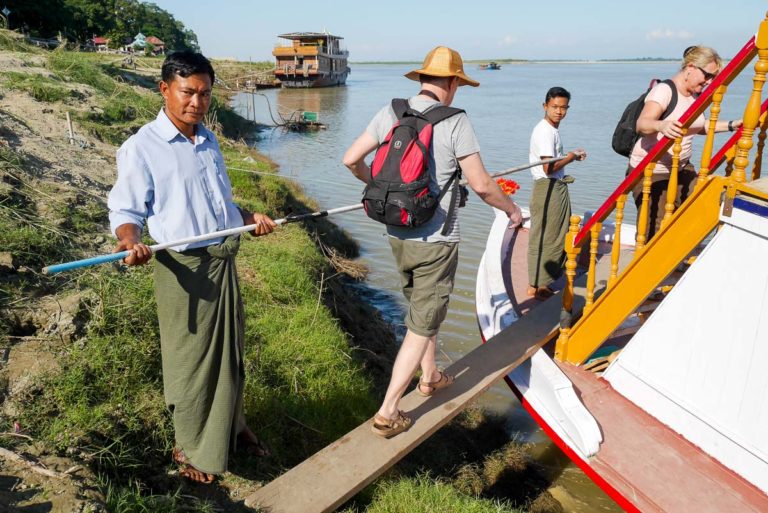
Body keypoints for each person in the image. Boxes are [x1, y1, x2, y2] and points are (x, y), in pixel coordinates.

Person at [107, 51, 276, 484]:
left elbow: (221, 205)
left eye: (204, 93)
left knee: (230, 352)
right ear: (164, 89)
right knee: (192, 362)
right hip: (183, 268)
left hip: (223, 261)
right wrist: (131, 241)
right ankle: (192, 447)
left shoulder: (209, 141)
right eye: (188, 92)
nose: (196, 103)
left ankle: (233, 427)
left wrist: (248, 219)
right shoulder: (142, 147)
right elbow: (126, 209)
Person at [342, 46, 522, 438]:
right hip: (436, 238)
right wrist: (511, 211)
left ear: (422, 79)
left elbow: (350, 158)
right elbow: (481, 184)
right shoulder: (456, 120)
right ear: (453, 83)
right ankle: (389, 411)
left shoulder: (390, 110)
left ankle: (430, 376)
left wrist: (379, 188)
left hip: (395, 230)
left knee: (422, 309)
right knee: (422, 323)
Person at [631, 45, 742, 240]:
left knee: (699, 205)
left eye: (712, 78)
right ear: (690, 67)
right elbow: (642, 123)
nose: (709, 82)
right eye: (707, 75)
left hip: (681, 167)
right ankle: (651, 267)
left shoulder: (695, 95)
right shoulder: (664, 90)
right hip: (652, 170)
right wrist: (661, 125)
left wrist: (734, 125)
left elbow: (699, 126)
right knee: (654, 228)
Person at [527, 87, 586, 300]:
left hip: (552, 186)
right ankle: (540, 284)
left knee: (550, 234)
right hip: (548, 187)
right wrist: (570, 156)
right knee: (550, 237)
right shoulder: (545, 131)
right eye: (554, 107)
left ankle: (538, 282)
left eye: (563, 107)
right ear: (545, 106)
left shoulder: (551, 130)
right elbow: (548, 168)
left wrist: (571, 156)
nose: (559, 111)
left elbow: (553, 162)